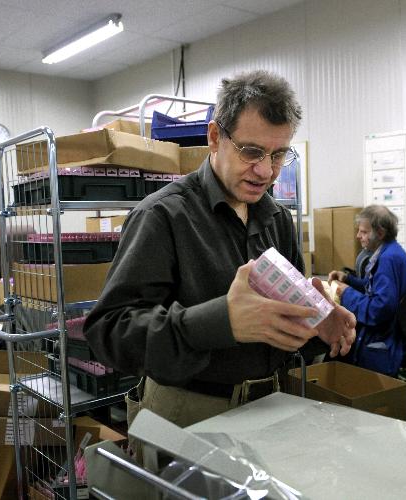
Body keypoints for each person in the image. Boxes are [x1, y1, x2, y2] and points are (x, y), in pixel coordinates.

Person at [84, 70, 356, 430]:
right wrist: (221, 322)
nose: (266, 171)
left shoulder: (276, 220)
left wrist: (314, 325)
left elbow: (280, 327)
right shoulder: (162, 216)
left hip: (271, 403)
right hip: (187, 411)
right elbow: (109, 332)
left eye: (278, 155)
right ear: (215, 137)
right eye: (251, 152)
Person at [328, 205, 406, 377]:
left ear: (380, 233)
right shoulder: (390, 251)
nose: (358, 236)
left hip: (385, 337)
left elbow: (379, 309)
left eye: (364, 232)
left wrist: (345, 293)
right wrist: (347, 279)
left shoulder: (387, 260)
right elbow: (373, 286)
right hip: (393, 331)